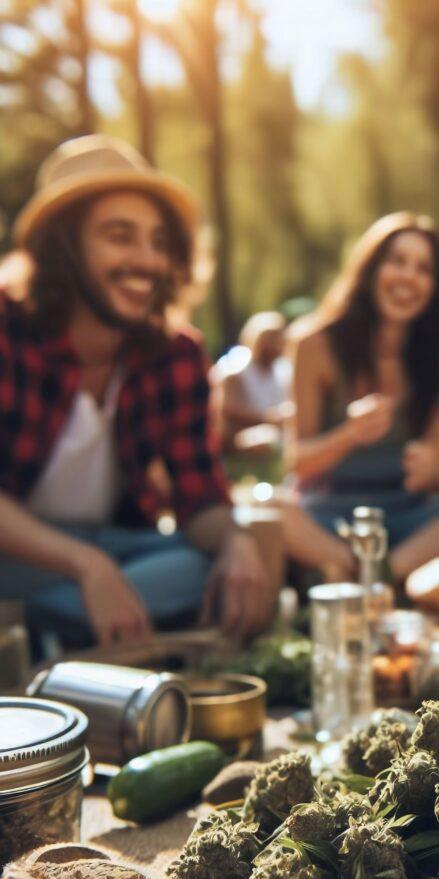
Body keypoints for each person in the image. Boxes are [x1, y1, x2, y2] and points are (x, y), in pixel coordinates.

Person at [0, 135, 273, 646]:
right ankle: (80, 624)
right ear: (63, 248)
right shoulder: (5, 329)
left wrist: (237, 541)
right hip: (20, 551)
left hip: (120, 547)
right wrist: (88, 568)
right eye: (120, 237)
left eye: (158, 242)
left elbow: (201, 500)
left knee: (214, 560)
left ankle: (40, 629)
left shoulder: (177, 354)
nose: (147, 261)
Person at [286, 212, 439, 581]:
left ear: (434, 286)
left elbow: (438, 473)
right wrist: (350, 434)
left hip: (409, 519)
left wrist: (429, 468)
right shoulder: (315, 344)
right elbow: (296, 461)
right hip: (329, 517)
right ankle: (361, 569)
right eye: (398, 262)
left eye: (424, 269)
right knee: (266, 507)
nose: (409, 277)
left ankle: (380, 577)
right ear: (370, 270)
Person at [213, 310, 293, 455]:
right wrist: (270, 418)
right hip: (244, 432)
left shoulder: (284, 368)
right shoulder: (235, 365)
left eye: (277, 337)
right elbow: (227, 408)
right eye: (268, 337)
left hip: (279, 431)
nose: (273, 344)